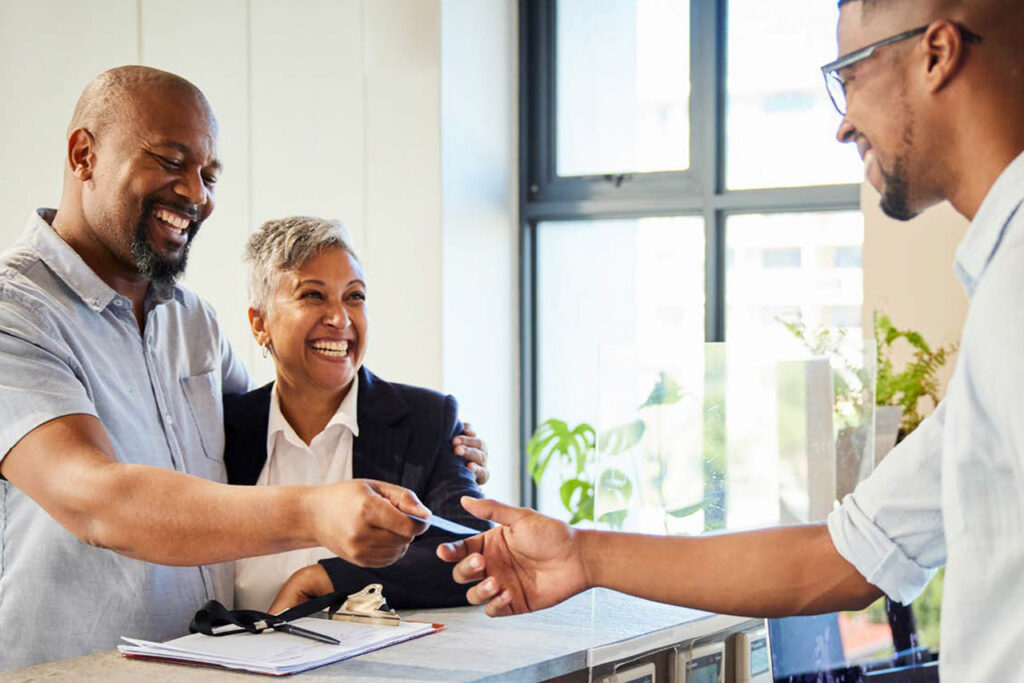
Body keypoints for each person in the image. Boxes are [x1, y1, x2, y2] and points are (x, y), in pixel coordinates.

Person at [440, 0, 1024, 678]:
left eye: (850, 74)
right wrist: (582, 555)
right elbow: (849, 555)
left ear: (937, 53)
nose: (842, 122)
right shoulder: (1001, 292)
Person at [0, 66, 476, 671]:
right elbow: (100, 500)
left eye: (208, 175)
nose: (196, 195)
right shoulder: (15, 312)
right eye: (171, 161)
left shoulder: (192, 322)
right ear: (84, 154)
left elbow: (272, 418)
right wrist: (314, 512)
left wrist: (439, 439)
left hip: (208, 665)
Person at [224, 216, 489, 613]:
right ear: (259, 323)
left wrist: (327, 578)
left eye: (355, 296)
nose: (340, 319)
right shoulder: (225, 428)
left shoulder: (425, 419)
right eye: (313, 296)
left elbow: (472, 550)